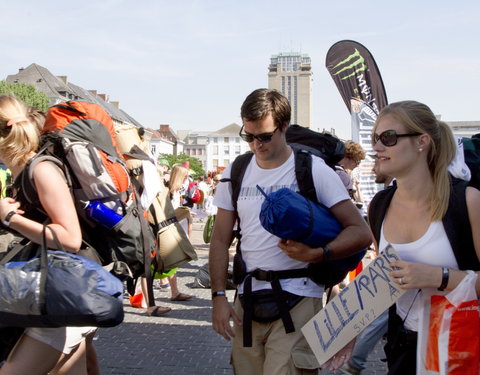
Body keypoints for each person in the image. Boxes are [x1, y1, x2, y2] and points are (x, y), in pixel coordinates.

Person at [209, 88, 372, 374]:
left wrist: (319, 253)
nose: (256, 144)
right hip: (247, 299)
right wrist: (218, 297)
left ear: (284, 127)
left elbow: (361, 232)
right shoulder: (237, 170)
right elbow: (220, 240)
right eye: (248, 136)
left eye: (264, 136)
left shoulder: (312, 170)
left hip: (298, 297)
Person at [368, 100, 480, 374]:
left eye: (388, 137)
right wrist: (345, 332)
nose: (377, 147)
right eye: (375, 138)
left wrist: (439, 277)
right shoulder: (379, 206)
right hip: (402, 347)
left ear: (422, 141)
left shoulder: (466, 201)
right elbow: (386, 283)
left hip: (459, 347)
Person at [0, 95, 98, 374]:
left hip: (58, 301)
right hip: (56, 297)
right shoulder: (21, 172)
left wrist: (9, 217)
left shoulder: (41, 169)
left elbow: (69, 238)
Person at [340, 160, 392, 375]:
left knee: (382, 317)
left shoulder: (383, 198)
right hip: (395, 270)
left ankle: (356, 360)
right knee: (382, 317)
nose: (378, 152)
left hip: (391, 267)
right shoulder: (383, 199)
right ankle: (356, 361)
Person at [336, 140, 366, 205]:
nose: (357, 165)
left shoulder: (330, 168)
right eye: (357, 161)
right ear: (347, 157)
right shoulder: (343, 175)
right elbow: (344, 204)